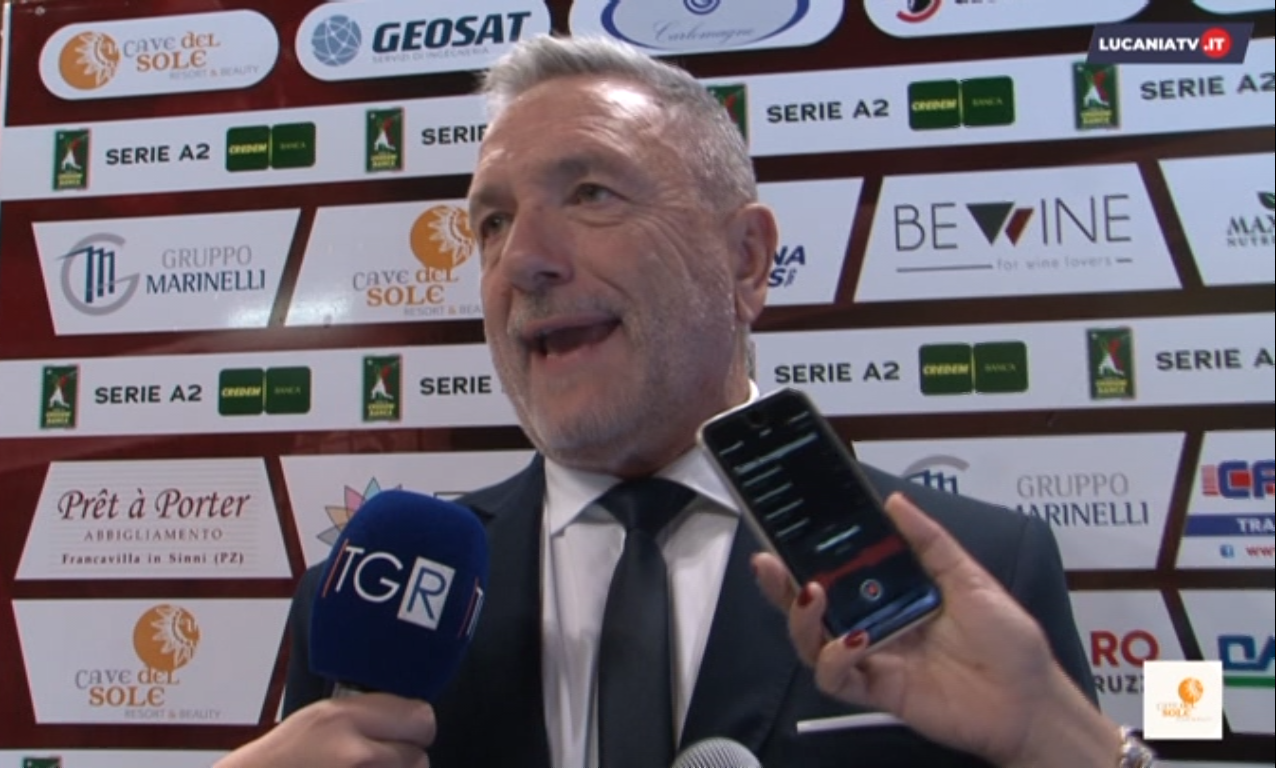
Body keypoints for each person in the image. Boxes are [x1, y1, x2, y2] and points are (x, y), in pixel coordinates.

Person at [217, 35, 1155, 768]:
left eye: (591, 193)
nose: (523, 260)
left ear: (746, 261)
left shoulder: (977, 572)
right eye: (492, 222)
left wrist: (1059, 740)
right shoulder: (377, 605)